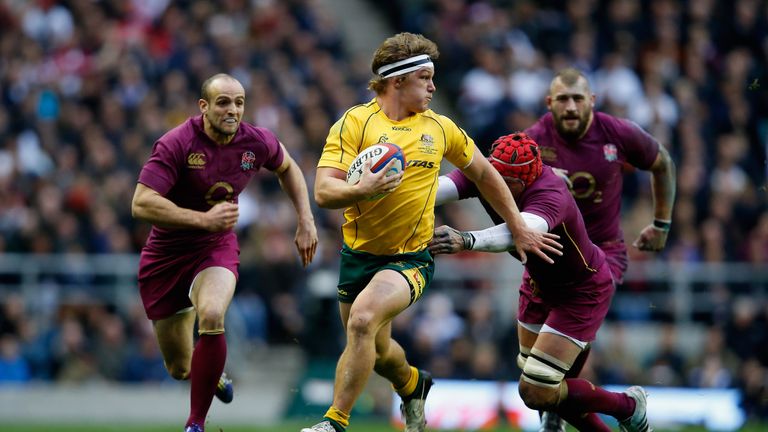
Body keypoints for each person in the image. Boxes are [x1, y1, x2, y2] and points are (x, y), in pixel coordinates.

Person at [304, 33, 561, 432]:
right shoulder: (355, 123)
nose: (433, 86)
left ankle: (334, 422)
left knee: (361, 321)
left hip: (410, 259)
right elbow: (323, 191)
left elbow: (485, 173)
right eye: (424, 77)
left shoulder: (440, 128)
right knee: (379, 348)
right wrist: (361, 190)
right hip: (358, 256)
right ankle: (412, 384)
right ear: (396, 82)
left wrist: (517, 225)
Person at [131, 73, 318, 432]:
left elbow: (289, 167)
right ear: (204, 107)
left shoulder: (256, 141)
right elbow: (141, 203)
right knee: (180, 369)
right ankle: (212, 373)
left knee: (213, 314)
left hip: (215, 246)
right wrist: (202, 219)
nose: (232, 110)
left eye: (239, 102)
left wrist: (305, 219)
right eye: (223, 102)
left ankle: (195, 424)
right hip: (166, 254)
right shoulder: (175, 143)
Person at [429, 131, 651, 432]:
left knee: (535, 390)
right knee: (546, 389)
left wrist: (466, 240)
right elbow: (438, 188)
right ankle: (564, 416)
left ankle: (628, 405)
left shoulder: (550, 193)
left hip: (580, 289)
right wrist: (384, 189)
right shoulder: (490, 171)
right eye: (490, 171)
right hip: (538, 284)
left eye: (501, 180)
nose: (491, 180)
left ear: (521, 184)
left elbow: (521, 233)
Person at [524, 67, 676, 431]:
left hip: (602, 257)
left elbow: (663, 164)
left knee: (542, 381)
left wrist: (661, 224)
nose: (571, 107)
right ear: (550, 104)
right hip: (551, 256)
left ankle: (621, 406)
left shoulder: (615, 132)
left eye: (578, 99)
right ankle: (582, 409)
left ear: (592, 101)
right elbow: (503, 186)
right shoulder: (533, 140)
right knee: (542, 379)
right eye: (563, 99)